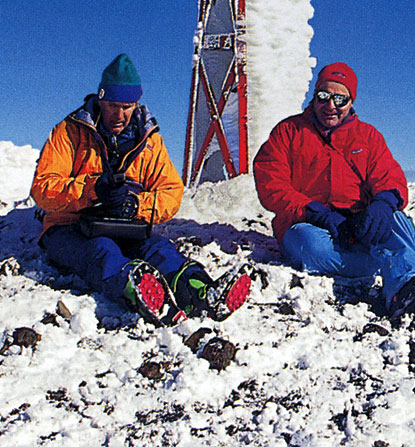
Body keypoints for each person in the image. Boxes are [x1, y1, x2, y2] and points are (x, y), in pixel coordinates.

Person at [31, 53, 251, 327]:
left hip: (126, 224)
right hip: (70, 225)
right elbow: (42, 189)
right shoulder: (69, 132)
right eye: (112, 105)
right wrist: (93, 190)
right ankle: (138, 290)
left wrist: (136, 206)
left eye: (127, 106)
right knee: (102, 252)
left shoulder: (149, 141)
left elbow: (171, 192)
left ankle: (201, 291)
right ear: (100, 98)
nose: (120, 114)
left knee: (160, 249)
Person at [253, 61, 415, 320]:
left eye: (340, 99)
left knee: (398, 222)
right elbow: (271, 183)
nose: (330, 106)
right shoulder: (288, 132)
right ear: (314, 96)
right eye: (323, 97)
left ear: (351, 102)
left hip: (359, 224)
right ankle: (390, 262)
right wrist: (316, 212)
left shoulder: (368, 136)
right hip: (308, 223)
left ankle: (404, 290)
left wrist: (382, 203)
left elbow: (389, 177)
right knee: (307, 245)